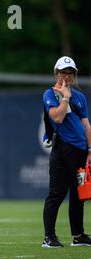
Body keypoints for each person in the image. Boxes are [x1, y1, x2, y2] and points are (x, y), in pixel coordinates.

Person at [42, 56, 91, 248]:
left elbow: (86, 125)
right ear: (56, 73)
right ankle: (49, 237)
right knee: (56, 194)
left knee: (79, 195)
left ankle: (78, 236)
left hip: (80, 151)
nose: (67, 76)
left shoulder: (80, 97)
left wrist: (89, 150)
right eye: (63, 72)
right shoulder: (50, 94)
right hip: (62, 150)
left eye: (70, 73)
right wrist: (65, 97)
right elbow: (58, 117)